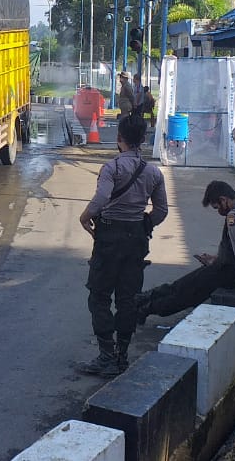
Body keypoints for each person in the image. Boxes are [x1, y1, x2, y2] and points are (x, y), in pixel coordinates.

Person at [77, 116, 168, 377]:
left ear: (120, 139)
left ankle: (106, 355)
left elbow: (102, 198)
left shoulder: (112, 168)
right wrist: (145, 224)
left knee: (99, 296)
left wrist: (85, 217)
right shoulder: (153, 172)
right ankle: (121, 356)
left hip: (108, 239)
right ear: (142, 139)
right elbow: (161, 210)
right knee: (128, 298)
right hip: (136, 241)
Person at [135, 181, 235, 321]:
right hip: (230, 267)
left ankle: (147, 308)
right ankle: (146, 297)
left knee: (185, 294)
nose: (219, 212)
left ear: (224, 200)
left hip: (231, 273)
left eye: (217, 207)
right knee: (184, 284)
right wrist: (216, 259)